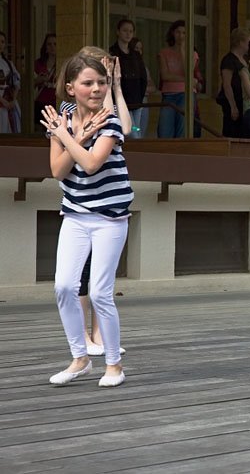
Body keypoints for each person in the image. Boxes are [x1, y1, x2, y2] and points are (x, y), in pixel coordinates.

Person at [40, 53, 133, 387]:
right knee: (64, 286)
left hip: (110, 215)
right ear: (70, 88)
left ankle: (114, 365)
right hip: (76, 213)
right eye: (88, 83)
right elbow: (57, 170)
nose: (97, 89)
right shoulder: (62, 116)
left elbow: (92, 164)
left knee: (99, 292)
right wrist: (72, 136)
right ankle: (80, 359)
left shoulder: (108, 120)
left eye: (102, 82)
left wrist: (64, 137)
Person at [157, 20, 201, 139]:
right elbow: (165, 76)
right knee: (164, 130)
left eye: (184, 33)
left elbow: (188, 71)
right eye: (178, 32)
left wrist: (183, 49)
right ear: (172, 33)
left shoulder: (193, 54)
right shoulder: (164, 52)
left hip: (186, 94)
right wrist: (188, 80)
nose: (181, 36)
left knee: (183, 129)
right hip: (169, 94)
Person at [109, 19, 147, 138]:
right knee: (132, 132)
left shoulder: (135, 54)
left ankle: (134, 155)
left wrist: (140, 97)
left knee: (137, 129)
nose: (128, 34)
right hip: (121, 100)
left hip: (136, 100)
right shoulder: (112, 53)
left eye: (131, 31)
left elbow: (143, 77)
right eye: (125, 30)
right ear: (118, 32)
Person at [217, 27, 250, 137]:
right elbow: (227, 84)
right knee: (232, 128)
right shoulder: (229, 60)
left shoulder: (245, 59)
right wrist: (233, 105)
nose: (249, 45)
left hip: (244, 100)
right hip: (233, 99)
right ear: (241, 42)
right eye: (248, 42)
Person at [130, 38, 157, 138]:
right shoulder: (124, 66)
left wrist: (140, 89)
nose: (138, 51)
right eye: (136, 48)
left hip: (143, 103)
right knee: (134, 131)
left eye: (140, 48)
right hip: (130, 104)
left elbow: (153, 88)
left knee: (140, 130)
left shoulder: (143, 68)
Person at [34, 33, 57, 132]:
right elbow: (29, 83)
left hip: (56, 102)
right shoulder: (38, 63)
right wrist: (39, 80)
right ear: (45, 46)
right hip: (41, 102)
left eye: (55, 44)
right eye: (49, 44)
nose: (52, 47)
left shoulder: (61, 63)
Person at [0, 31, 21, 133]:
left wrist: (13, 100)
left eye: (2, 42)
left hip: (9, 100)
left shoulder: (8, 64)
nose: (0, 44)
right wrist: (2, 101)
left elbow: (16, 83)